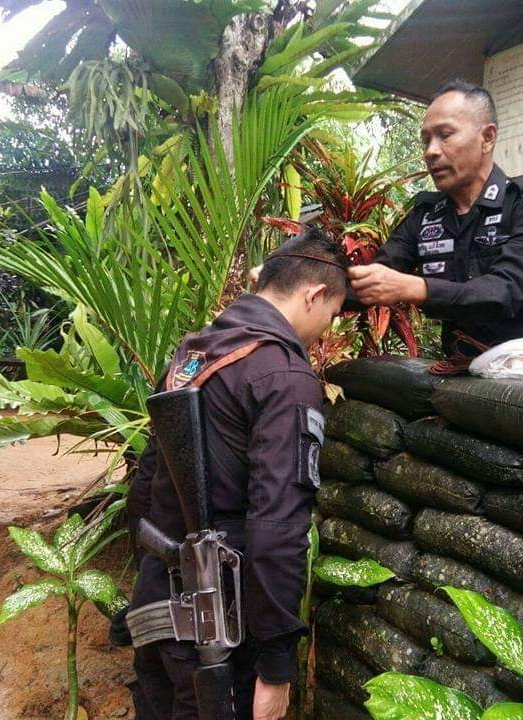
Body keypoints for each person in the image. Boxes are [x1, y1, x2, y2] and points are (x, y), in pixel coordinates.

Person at [125, 228, 349, 720]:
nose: (325, 332)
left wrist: (139, 593)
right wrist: (275, 666)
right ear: (313, 295)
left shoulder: (194, 351)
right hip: (219, 634)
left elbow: (147, 478)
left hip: (157, 607)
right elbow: (278, 528)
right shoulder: (284, 376)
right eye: (330, 315)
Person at [348, 78, 523, 369]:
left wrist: (417, 288)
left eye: (445, 135)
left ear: (487, 138)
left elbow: (504, 292)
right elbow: (375, 276)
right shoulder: (426, 214)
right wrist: (289, 285)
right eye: (426, 140)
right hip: (461, 374)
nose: (431, 151)